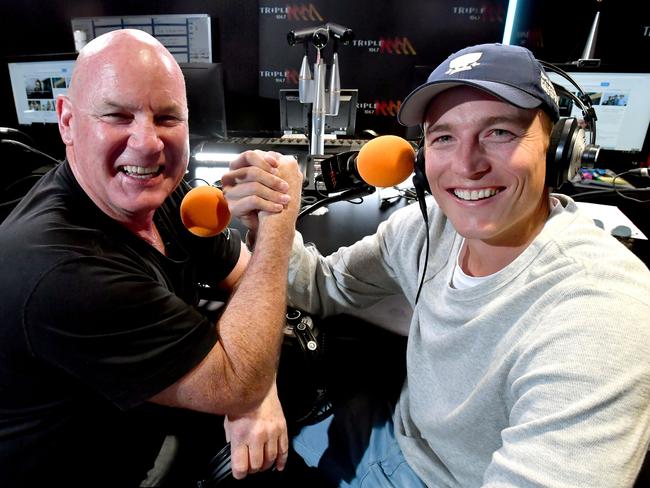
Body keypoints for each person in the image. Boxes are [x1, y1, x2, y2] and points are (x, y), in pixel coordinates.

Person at [222, 43, 650, 487]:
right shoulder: (426, 230)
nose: (466, 165)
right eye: (444, 137)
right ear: (423, 161)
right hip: (393, 434)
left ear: (560, 149)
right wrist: (272, 223)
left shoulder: (600, 312)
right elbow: (320, 285)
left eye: (499, 132)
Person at [0, 29, 303, 486]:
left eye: (166, 118)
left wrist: (257, 392)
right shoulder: (65, 270)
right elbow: (238, 380)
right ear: (66, 121)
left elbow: (243, 279)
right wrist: (278, 226)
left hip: (144, 423)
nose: (147, 144)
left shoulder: (155, 191)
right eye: (117, 116)